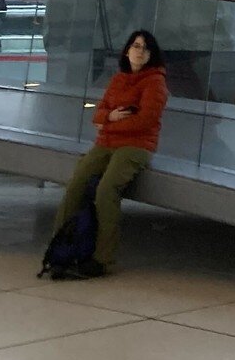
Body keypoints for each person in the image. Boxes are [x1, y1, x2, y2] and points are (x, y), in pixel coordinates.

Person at [47, 29, 168, 278]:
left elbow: (145, 121)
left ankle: (101, 258)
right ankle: (61, 249)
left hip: (136, 146)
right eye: (135, 45)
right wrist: (107, 117)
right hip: (106, 143)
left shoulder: (155, 82)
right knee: (76, 184)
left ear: (151, 55)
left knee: (107, 189)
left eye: (145, 48)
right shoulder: (118, 79)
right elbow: (98, 113)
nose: (139, 51)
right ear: (127, 51)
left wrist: (109, 122)